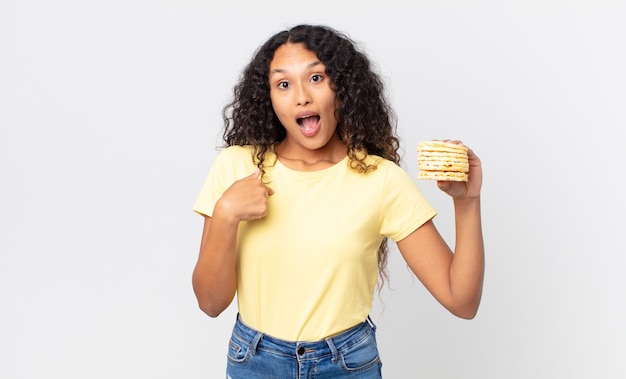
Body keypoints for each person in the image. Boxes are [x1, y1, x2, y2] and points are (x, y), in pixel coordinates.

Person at [191, 24, 484, 379]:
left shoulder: (382, 179)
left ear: (342, 87)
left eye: (316, 78)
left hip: (346, 365)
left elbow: (461, 300)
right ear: (268, 97)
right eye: (284, 84)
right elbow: (210, 303)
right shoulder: (237, 167)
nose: (301, 97)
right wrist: (225, 214)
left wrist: (467, 203)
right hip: (256, 362)